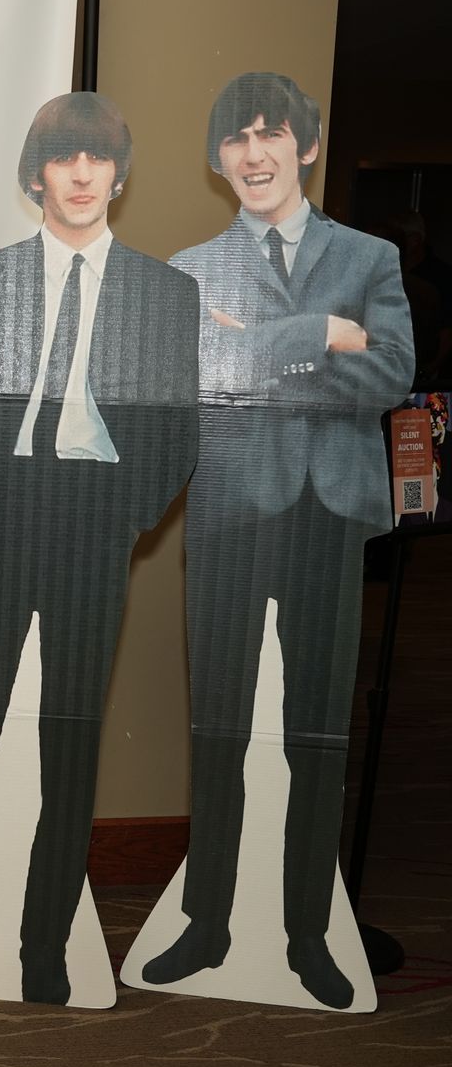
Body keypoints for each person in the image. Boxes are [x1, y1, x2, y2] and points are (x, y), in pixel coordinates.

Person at [0, 93, 199, 1004]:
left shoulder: (161, 292)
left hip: (91, 524)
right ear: (37, 176)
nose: (80, 175)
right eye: (63, 159)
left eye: (97, 160)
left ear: (118, 173)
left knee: (70, 741)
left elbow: (179, 430)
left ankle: (45, 950)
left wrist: (124, 517)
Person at [140, 73, 413, 1009]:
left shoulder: (369, 256)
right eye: (236, 139)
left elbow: (388, 374)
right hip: (224, 515)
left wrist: (260, 348)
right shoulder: (189, 268)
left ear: (308, 143)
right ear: (218, 160)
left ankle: (308, 934)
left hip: (329, 518)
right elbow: (199, 381)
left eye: (271, 135)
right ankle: (209, 923)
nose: (254, 154)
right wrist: (312, 336)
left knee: (315, 734)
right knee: (217, 727)